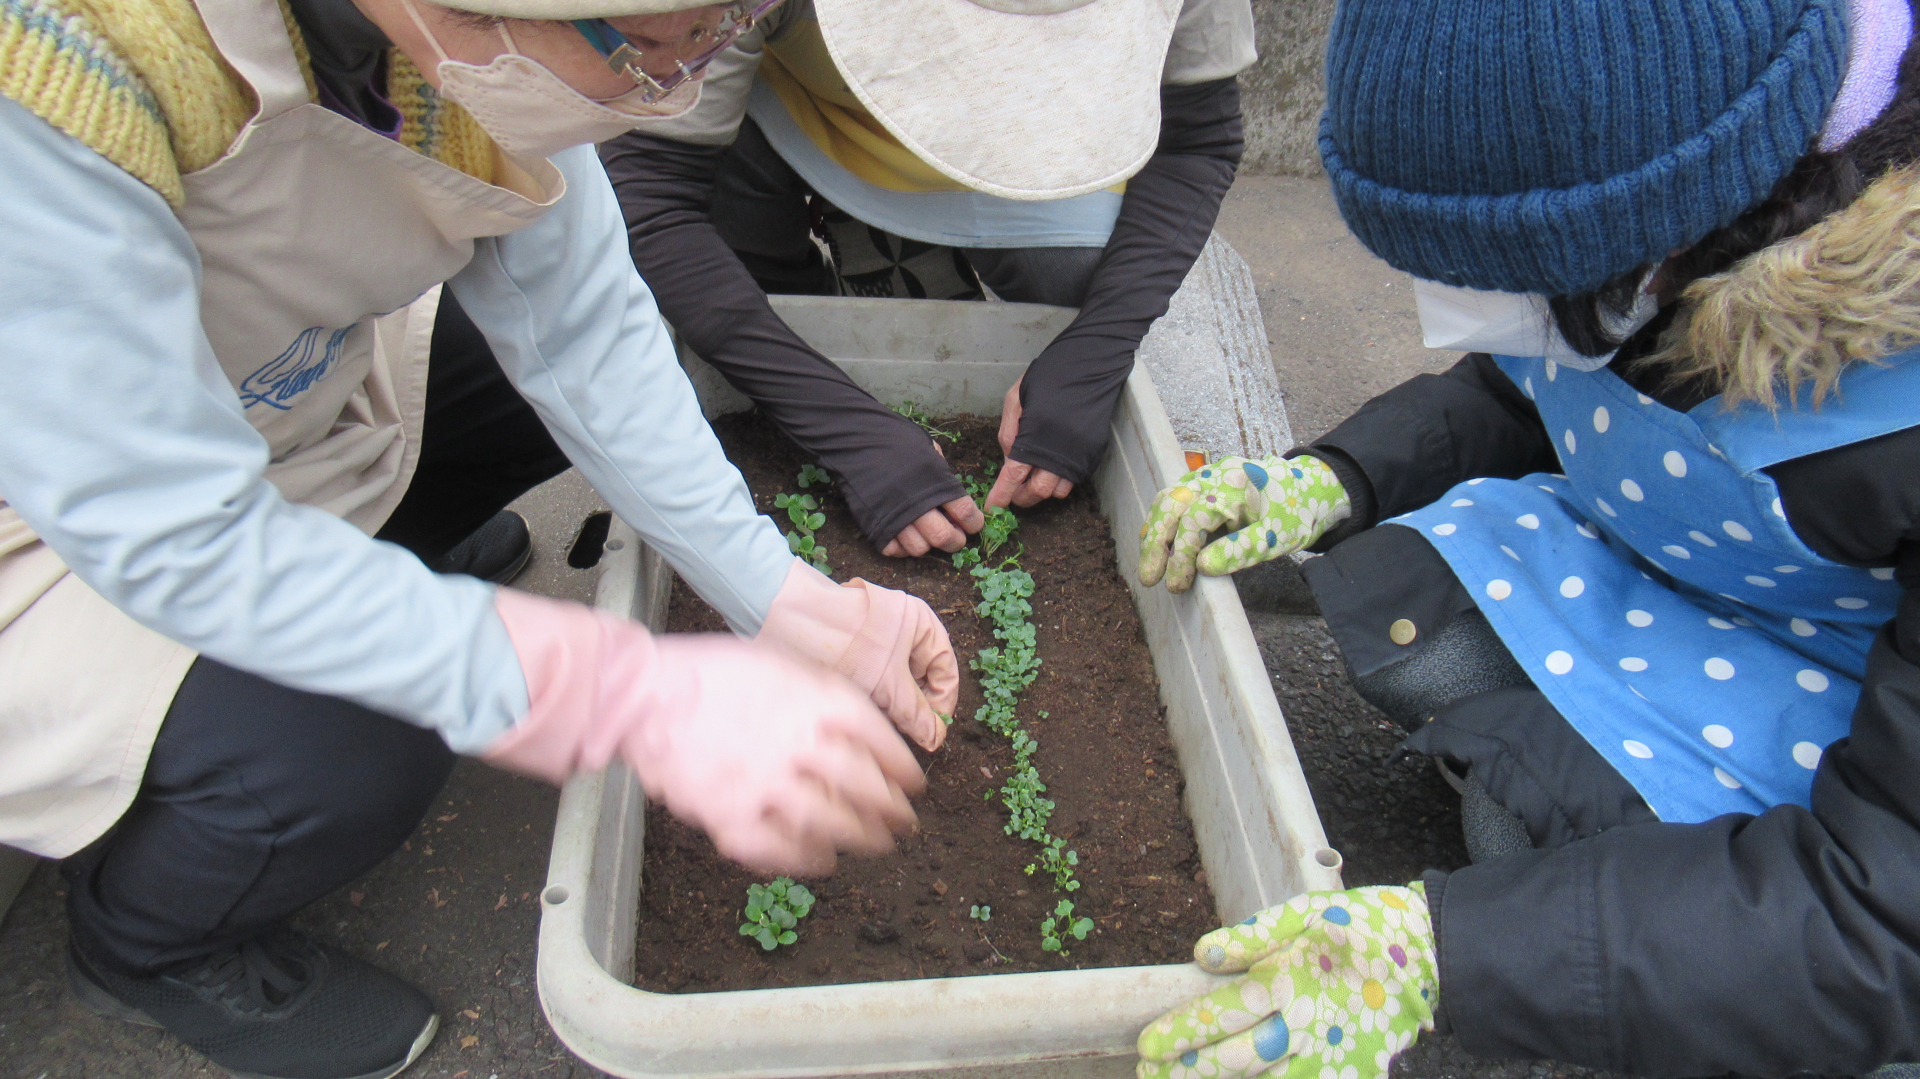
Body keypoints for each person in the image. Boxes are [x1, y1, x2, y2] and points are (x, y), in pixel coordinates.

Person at [0, 0, 963, 1075]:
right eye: (649, 48)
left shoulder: (462, 47)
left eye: (718, 34)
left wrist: (783, 601)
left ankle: (388, 570)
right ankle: (145, 943)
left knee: (522, 397)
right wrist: (622, 691)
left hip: (259, 400)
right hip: (57, 520)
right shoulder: (55, 66)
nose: (675, 91)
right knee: (367, 729)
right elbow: (172, 528)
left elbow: (583, 327)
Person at [1133, 0, 1920, 1074]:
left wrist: (1459, 955)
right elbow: (1523, 385)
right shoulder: (1671, 229)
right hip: (1673, 568)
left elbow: (1887, 908)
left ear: (1684, 225)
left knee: (1560, 877)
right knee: (1436, 671)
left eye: (1527, 287)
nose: (1461, 316)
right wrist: (1337, 476)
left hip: (1850, 697)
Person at [598, 0, 1255, 558]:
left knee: (1084, 278)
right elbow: (651, 193)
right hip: (812, 108)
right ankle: (812, 287)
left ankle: (892, 250)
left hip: (1031, 147)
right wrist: (843, 428)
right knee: (723, 249)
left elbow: (1199, 138)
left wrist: (1097, 349)